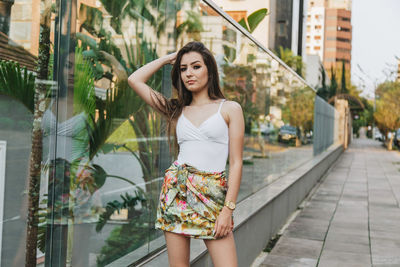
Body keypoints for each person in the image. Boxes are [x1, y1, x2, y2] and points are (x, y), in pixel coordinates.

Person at [128, 41, 244, 267]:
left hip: (213, 196)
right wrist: (168, 58)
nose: (189, 73)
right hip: (176, 192)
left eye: (196, 66)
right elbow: (135, 80)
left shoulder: (230, 109)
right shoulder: (175, 110)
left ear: (209, 70)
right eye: (183, 69)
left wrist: (227, 210)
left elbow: (237, 163)